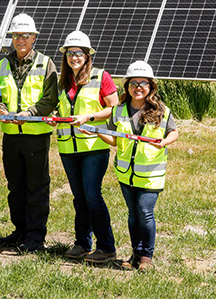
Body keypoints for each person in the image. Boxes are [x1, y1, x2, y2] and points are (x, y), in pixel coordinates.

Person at [85, 61, 178, 270]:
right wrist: (98, 132)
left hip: (151, 174)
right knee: (133, 214)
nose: (138, 87)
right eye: (133, 83)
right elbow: (115, 140)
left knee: (145, 211)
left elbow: (174, 132)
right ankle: (135, 254)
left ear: (151, 87)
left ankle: (146, 256)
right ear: (127, 86)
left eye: (143, 83)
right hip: (127, 174)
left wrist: (164, 142)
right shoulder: (118, 111)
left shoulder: (161, 110)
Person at [51, 30, 119, 263]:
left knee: (92, 196)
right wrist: (55, 117)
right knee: (79, 197)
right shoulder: (63, 80)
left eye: (79, 53)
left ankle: (107, 247)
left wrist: (89, 117)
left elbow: (114, 108)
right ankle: (82, 243)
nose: (74, 57)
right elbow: (63, 109)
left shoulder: (101, 77)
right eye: (70, 53)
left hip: (94, 147)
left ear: (88, 55)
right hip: (68, 148)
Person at [0, 13, 59, 252]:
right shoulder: (1, 64)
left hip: (36, 136)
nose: (20, 39)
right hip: (11, 135)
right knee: (15, 186)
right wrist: (2, 110)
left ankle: (35, 236)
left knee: (37, 186)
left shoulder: (46, 63)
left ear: (34, 38)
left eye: (25, 35)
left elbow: (50, 98)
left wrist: (30, 112)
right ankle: (19, 230)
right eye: (16, 35)